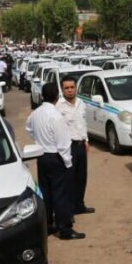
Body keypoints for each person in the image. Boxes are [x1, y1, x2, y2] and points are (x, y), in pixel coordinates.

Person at [26, 82, 83, 240]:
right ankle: (64, 228)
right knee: (61, 194)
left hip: (42, 156)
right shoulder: (56, 117)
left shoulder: (36, 113)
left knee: (47, 192)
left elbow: (28, 127)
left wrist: (38, 140)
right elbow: (64, 145)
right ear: (57, 96)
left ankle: (49, 224)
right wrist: (68, 164)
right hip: (56, 157)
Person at [57, 75, 94, 216]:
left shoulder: (81, 103)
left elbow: (83, 123)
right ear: (62, 89)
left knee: (81, 177)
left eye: (72, 87)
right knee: (69, 179)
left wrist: (86, 140)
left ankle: (79, 205)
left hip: (81, 145)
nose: (70, 90)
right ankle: (69, 210)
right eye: (66, 88)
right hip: (68, 147)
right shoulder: (58, 106)